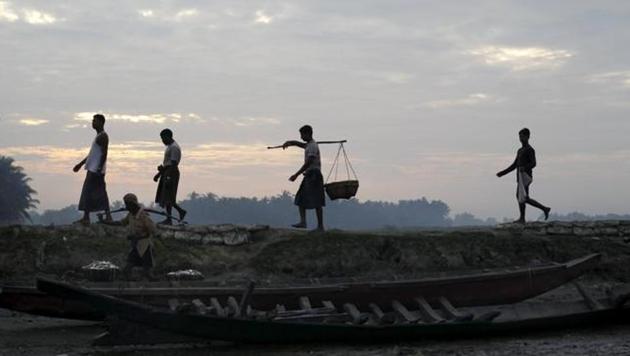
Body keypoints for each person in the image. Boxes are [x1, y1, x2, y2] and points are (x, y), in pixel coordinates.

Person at [497, 128, 551, 223]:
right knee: (523, 197)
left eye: (523, 136)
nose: (521, 138)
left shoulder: (530, 150)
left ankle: (523, 217)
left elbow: (534, 163)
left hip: (526, 177)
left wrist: (525, 168)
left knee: (521, 196)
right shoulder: (520, 150)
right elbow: (514, 165)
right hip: (520, 177)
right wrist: (502, 173)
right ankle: (543, 209)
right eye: (520, 136)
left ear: (528, 137)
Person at [282, 125, 325, 231]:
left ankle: (320, 226)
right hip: (309, 175)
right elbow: (302, 145)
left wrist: (296, 174)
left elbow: (308, 163)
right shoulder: (309, 145)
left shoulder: (313, 146)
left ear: (308, 134)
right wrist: (290, 142)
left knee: (317, 201)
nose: (301, 137)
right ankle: (303, 222)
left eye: (302, 135)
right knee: (300, 198)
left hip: (314, 175)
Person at [73, 114, 112, 225]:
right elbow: (92, 155)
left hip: (96, 170)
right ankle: (88, 217)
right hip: (93, 169)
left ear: (101, 122)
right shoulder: (98, 136)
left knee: (93, 192)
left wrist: (99, 167)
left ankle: (89, 218)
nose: (93, 123)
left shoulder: (103, 136)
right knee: (91, 192)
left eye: (95, 121)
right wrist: (80, 164)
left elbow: (104, 153)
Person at [119, 193, 157, 280]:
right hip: (135, 244)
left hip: (144, 245)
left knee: (146, 266)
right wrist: (105, 221)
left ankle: (149, 280)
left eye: (128, 205)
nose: (127, 208)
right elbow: (121, 223)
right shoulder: (131, 215)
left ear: (133, 205)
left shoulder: (144, 216)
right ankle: (131, 279)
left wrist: (144, 234)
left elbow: (153, 229)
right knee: (130, 263)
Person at [154, 129, 186, 225]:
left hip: (171, 173)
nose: (162, 141)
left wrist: (168, 178)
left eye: (163, 138)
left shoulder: (174, 148)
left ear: (168, 136)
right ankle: (171, 217)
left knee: (169, 196)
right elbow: (167, 164)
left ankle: (177, 214)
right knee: (166, 196)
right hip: (167, 172)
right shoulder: (169, 147)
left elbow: (173, 164)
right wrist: (159, 174)